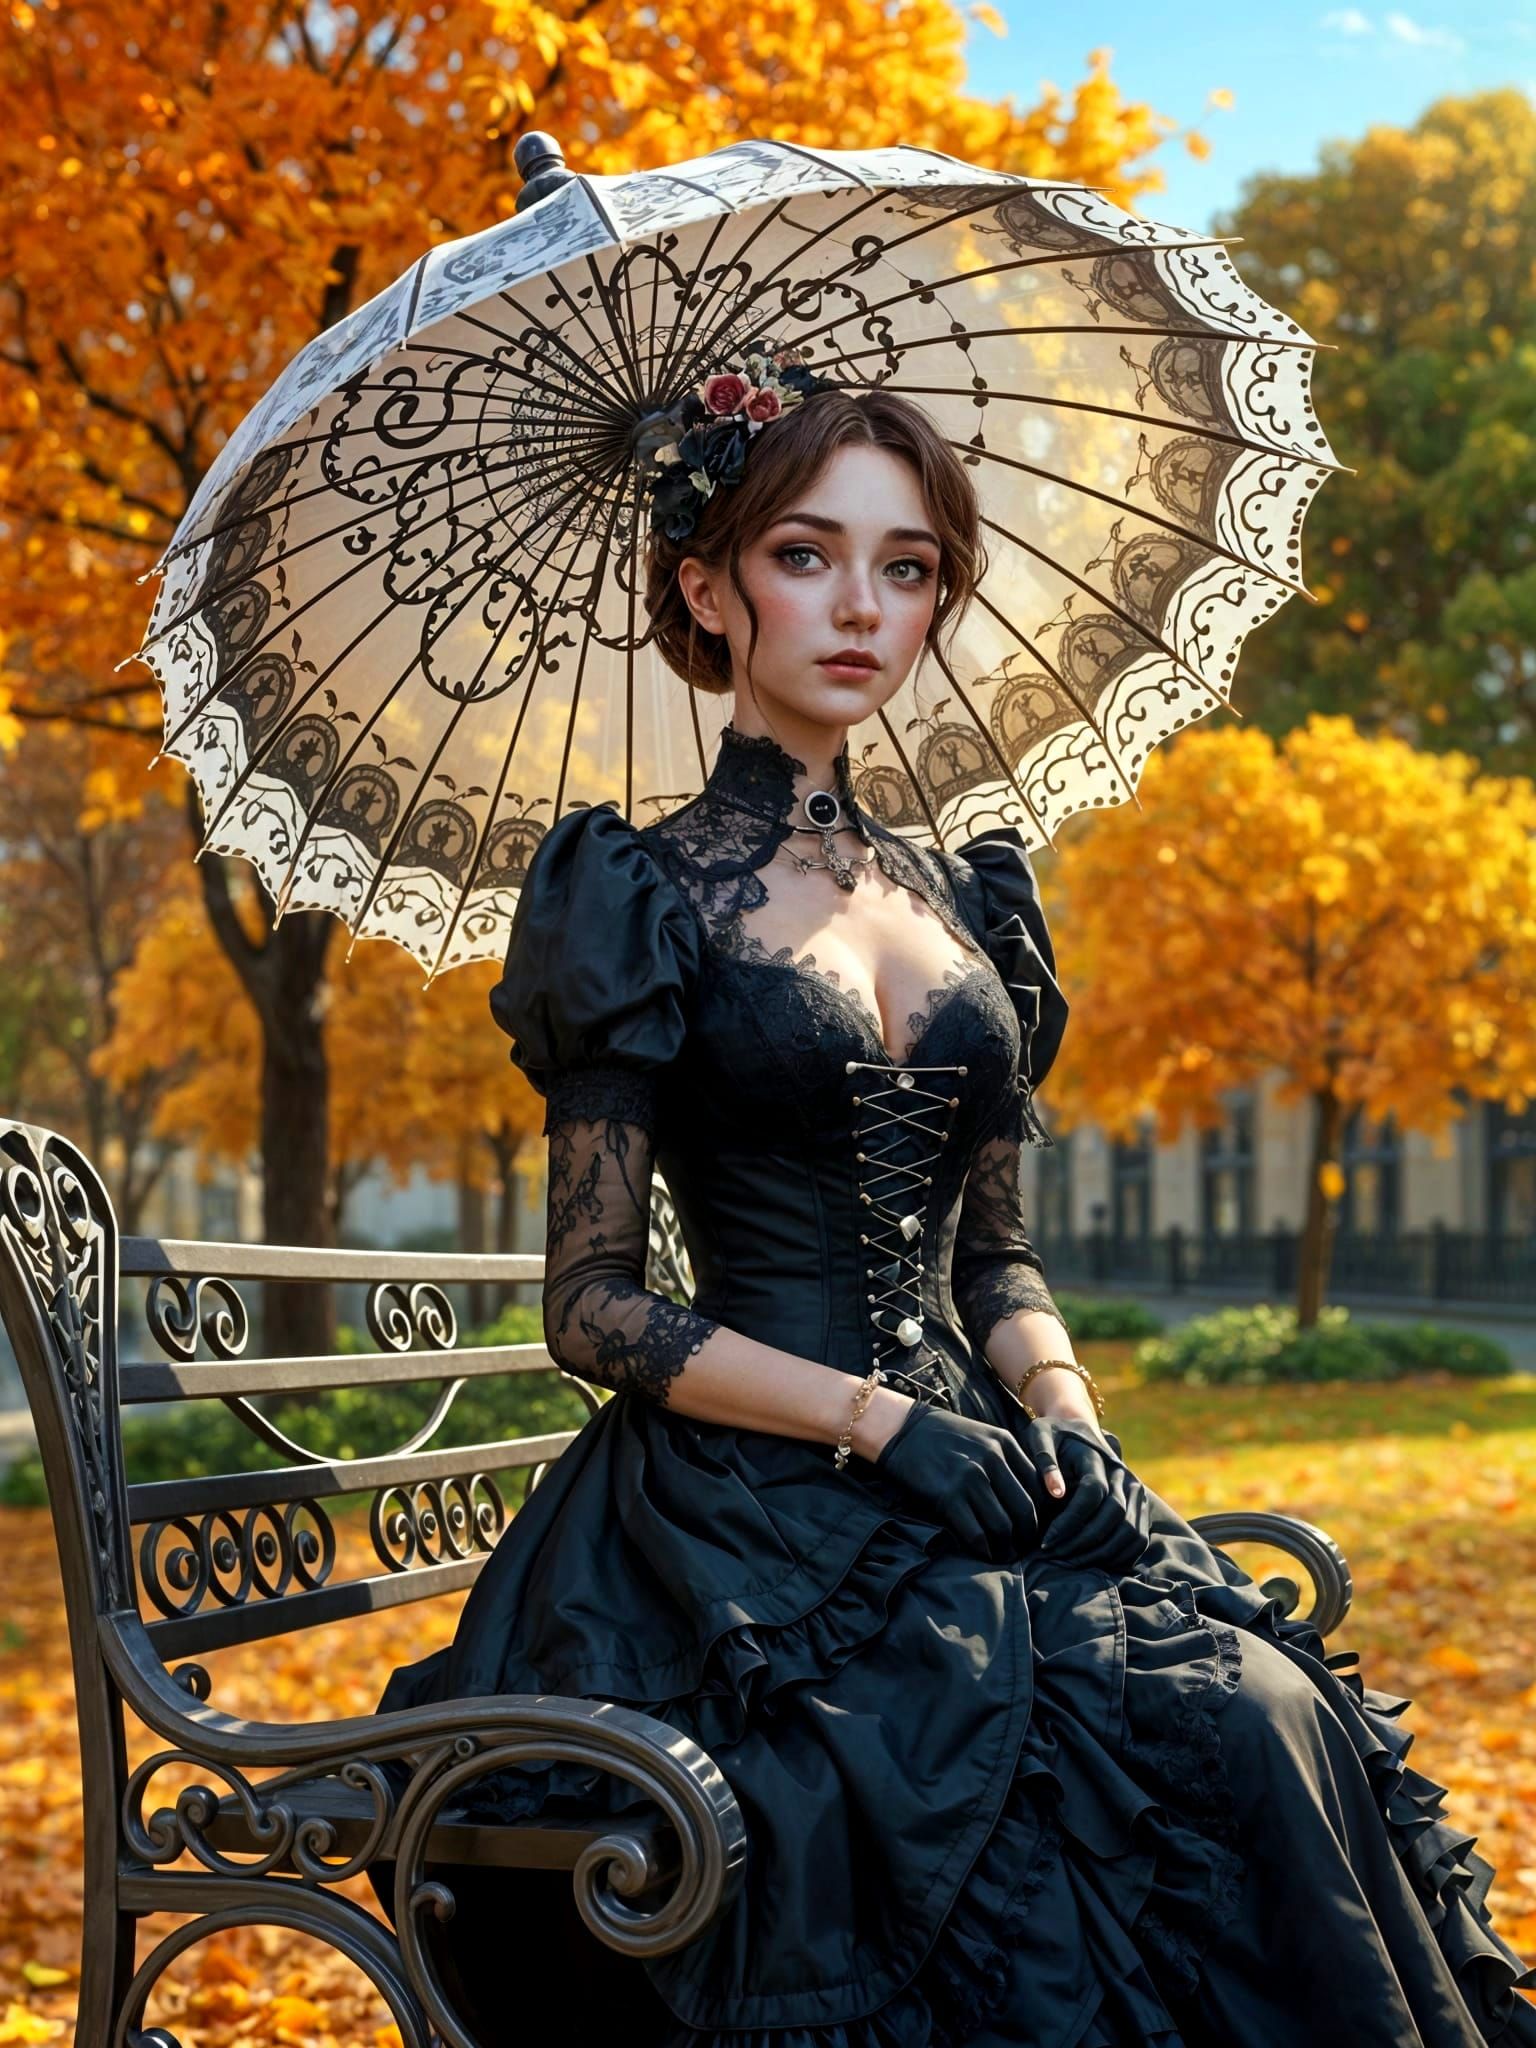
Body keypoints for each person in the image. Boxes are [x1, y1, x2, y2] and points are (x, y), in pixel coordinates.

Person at [368, 372, 1536, 2047]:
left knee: (1262, 1707)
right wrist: (875, 1427)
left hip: (979, 1479)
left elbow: (994, 1252)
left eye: (907, 568)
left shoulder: (963, 895)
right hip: (744, 1526)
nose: (862, 606)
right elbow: (595, 1306)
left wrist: (1065, 1410)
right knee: (1139, 1745)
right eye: (806, 554)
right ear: (707, 590)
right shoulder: (634, 893)